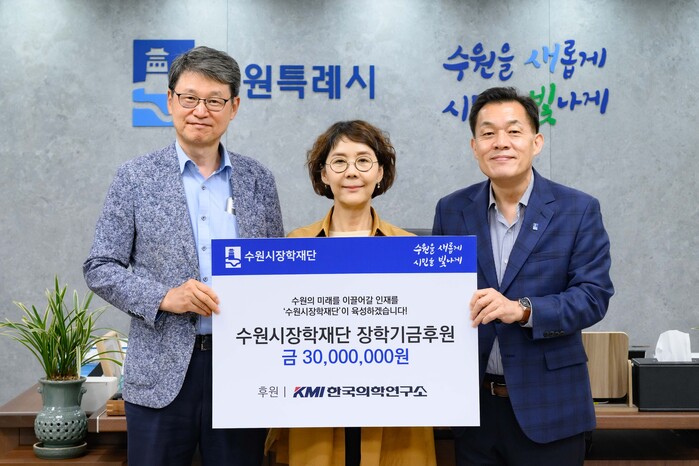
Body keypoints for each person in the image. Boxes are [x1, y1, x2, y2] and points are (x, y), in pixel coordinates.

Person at [83, 46, 284, 466]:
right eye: (190, 98)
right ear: (171, 101)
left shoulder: (258, 180)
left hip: (241, 367)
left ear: (234, 107)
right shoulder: (135, 177)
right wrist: (163, 297)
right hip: (160, 371)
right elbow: (100, 266)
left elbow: (274, 270)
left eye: (214, 100)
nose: (200, 111)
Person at [432, 87, 614, 466]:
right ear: (474, 146)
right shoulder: (451, 210)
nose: (501, 142)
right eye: (488, 133)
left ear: (536, 142)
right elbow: (436, 296)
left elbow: (593, 296)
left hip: (551, 409)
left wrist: (523, 310)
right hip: (475, 412)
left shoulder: (578, 209)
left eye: (514, 131)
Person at [266, 120, 437, 466]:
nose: (352, 172)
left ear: (380, 172)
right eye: (339, 161)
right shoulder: (295, 246)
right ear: (324, 174)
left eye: (363, 160)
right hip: (313, 403)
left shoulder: (410, 248)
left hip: (395, 405)